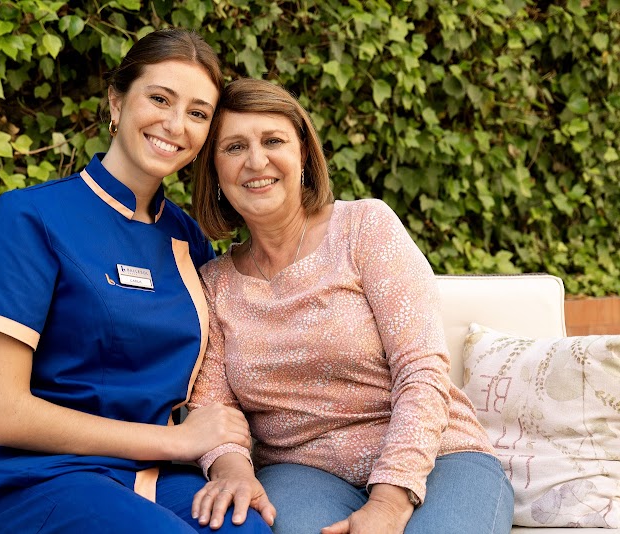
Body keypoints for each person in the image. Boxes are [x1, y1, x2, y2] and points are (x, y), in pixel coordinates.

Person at [0, 30, 273, 533]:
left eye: (197, 113)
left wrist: (230, 464)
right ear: (116, 102)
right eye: (160, 99)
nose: (175, 125)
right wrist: (176, 441)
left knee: (245, 527)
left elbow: (213, 384)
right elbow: (2, 414)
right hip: (34, 480)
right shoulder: (32, 216)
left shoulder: (189, 240)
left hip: (152, 477)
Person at [187, 78, 514, 534]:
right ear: (214, 169)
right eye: (234, 147)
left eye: (273, 141)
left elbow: (422, 369)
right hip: (302, 472)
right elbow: (212, 407)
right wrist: (233, 472)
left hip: (439, 457)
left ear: (304, 153)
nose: (256, 161)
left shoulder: (364, 227)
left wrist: (389, 501)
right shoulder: (213, 283)